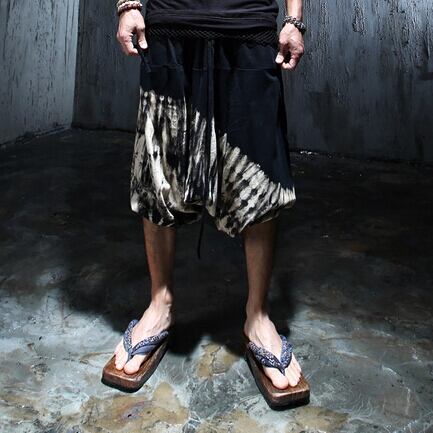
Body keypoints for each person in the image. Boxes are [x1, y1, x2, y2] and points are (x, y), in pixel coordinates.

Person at [103, 0, 309, 406]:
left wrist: (294, 20)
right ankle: (160, 303)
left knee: (259, 172)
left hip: (247, 22)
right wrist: (127, 5)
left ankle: (258, 315)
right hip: (170, 22)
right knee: (158, 170)